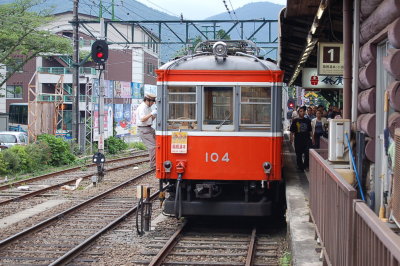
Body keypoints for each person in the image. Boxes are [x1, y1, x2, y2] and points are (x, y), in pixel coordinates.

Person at [136, 93, 157, 169]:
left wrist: (154, 115)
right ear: (148, 100)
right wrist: (151, 114)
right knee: (153, 147)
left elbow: (150, 119)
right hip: (143, 129)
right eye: (152, 102)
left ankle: (157, 162)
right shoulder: (142, 107)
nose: (153, 103)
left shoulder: (148, 107)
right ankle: (153, 164)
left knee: (159, 144)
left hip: (149, 128)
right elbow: (142, 119)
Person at [290, 106, 312, 171]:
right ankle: (300, 167)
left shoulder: (308, 121)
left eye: (303, 111)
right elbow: (292, 131)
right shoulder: (295, 121)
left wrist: (312, 138)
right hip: (298, 140)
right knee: (298, 154)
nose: (302, 112)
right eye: (300, 111)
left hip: (306, 139)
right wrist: (291, 138)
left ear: (305, 112)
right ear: (298, 112)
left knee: (307, 153)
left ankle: (306, 166)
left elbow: (310, 130)